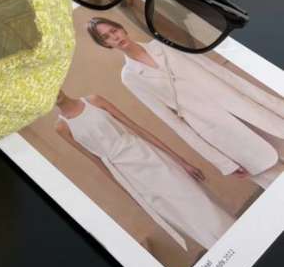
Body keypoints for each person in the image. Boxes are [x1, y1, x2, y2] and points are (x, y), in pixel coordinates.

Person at [87, 17, 284, 189]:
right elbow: (171, 121)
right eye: (106, 37)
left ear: (122, 29)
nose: (114, 37)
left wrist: (276, 105)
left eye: (114, 30)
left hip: (243, 108)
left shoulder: (164, 44)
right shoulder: (130, 77)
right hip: (218, 131)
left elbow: (220, 73)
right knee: (274, 181)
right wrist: (223, 162)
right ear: (105, 45)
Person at [55, 90, 234, 251]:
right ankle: (220, 251)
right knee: (177, 213)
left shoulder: (94, 100)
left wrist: (181, 161)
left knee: (195, 197)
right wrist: (131, 194)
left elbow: (138, 129)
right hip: (127, 174)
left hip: (146, 155)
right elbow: (96, 161)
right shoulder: (62, 128)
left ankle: (234, 237)